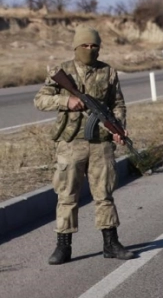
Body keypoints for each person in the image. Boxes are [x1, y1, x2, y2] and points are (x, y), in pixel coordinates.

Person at [33, 27, 137, 265]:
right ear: (76, 47)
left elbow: (118, 104)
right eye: (85, 46)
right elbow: (40, 99)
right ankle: (63, 246)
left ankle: (111, 243)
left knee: (104, 195)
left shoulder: (108, 72)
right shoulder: (62, 71)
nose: (90, 50)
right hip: (70, 144)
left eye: (94, 46)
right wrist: (65, 100)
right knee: (67, 195)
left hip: (101, 143)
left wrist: (118, 128)